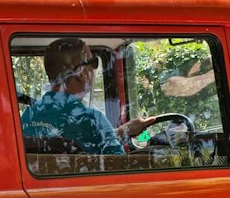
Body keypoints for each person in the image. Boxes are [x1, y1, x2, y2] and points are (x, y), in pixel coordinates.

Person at [20, 38, 150, 154]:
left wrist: (122, 131)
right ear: (80, 73)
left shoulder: (28, 116)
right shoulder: (91, 120)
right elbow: (119, 167)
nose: (94, 70)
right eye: (93, 63)